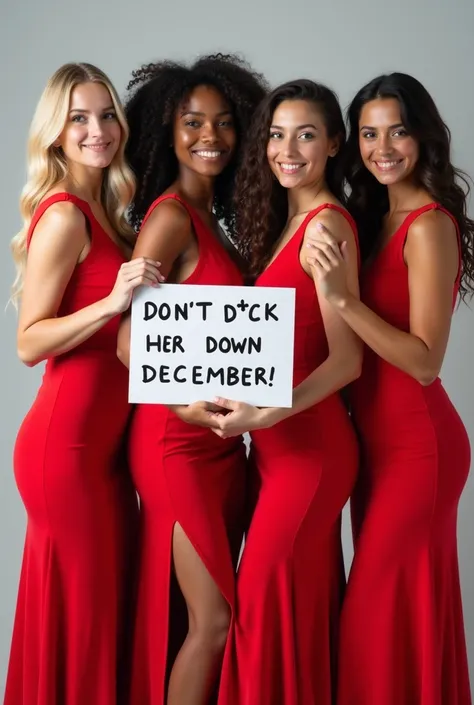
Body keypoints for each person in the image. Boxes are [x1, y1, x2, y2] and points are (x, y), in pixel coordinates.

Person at [306, 72, 473, 705]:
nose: (383, 148)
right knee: (393, 625)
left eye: (397, 132)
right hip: (372, 448)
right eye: (370, 134)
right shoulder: (372, 219)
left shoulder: (428, 225)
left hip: (418, 448)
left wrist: (344, 300)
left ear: (423, 137)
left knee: (377, 621)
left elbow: (425, 361)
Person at [4, 62, 162, 705]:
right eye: (78, 118)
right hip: (63, 449)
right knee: (86, 618)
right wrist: (111, 302)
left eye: (106, 115)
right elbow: (27, 343)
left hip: (104, 450)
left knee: (97, 614)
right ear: (56, 133)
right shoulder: (66, 215)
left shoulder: (112, 215)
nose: (97, 130)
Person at [116, 54, 268, 705]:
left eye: (227, 122)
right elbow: (126, 337)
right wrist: (183, 403)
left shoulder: (223, 224)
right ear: (165, 129)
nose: (211, 135)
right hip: (176, 440)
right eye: (193, 121)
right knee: (212, 622)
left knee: (202, 623)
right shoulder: (171, 215)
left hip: (221, 443)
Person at [212, 79, 362, 705]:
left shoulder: (326, 227)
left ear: (333, 143)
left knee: (267, 609)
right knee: (290, 616)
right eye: (276, 134)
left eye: (305, 134)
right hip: (278, 451)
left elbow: (348, 361)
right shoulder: (287, 220)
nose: (287, 149)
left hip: (310, 452)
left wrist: (267, 414)